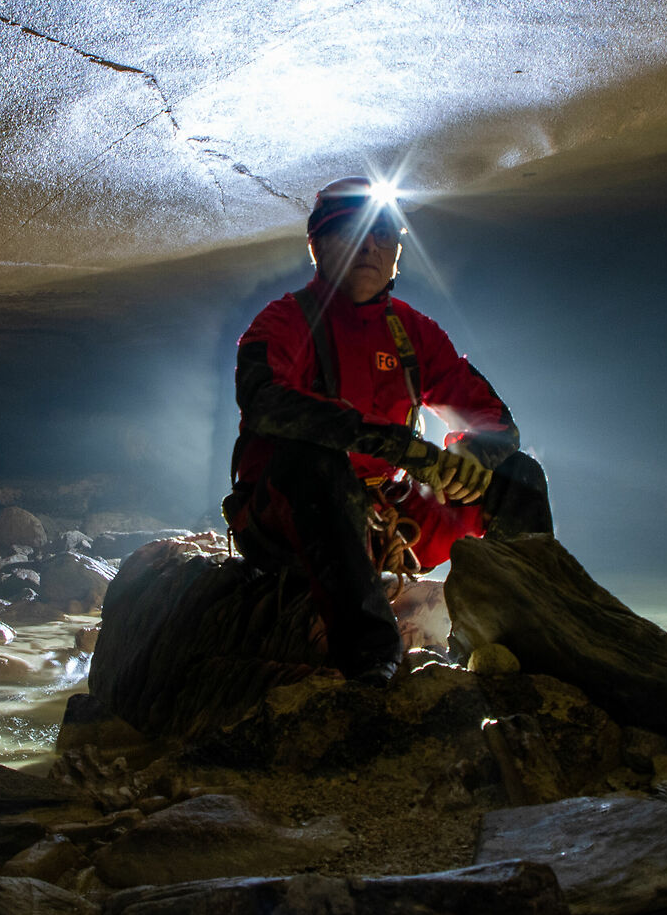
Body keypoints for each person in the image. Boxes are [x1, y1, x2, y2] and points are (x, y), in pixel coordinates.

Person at [224, 176, 552, 685]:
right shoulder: (284, 322)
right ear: (317, 247)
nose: (370, 246)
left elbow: (497, 423)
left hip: (386, 514)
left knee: (518, 475)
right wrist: (400, 446)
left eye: (382, 236)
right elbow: (265, 402)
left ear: (398, 252)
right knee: (316, 462)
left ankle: (528, 633)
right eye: (350, 233)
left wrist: (470, 458)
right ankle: (372, 662)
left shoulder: (413, 332)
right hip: (288, 515)